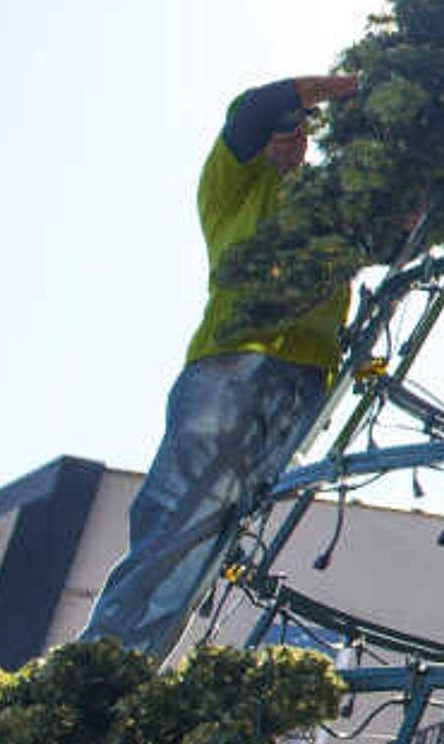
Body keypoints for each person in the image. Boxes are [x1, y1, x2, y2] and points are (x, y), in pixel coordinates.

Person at [83, 72, 364, 654]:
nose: (293, 138)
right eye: (282, 128)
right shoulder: (232, 185)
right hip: (233, 368)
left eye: (301, 129)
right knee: (178, 526)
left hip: (303, 384)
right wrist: (357, 85)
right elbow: (260, 104)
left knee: (215, 540)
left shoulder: (326, 206)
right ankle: (105, 664)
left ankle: (138, 665)